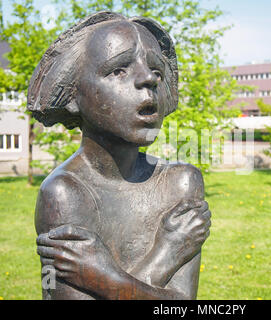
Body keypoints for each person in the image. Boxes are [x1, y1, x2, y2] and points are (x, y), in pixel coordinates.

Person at [28, 11, 211, 300]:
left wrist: (104, 279)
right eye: (118, 70)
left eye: (157, 71)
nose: (148, 78)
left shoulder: (182, 183)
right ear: (74, 96)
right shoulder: (64, 195)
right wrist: (167, 252)